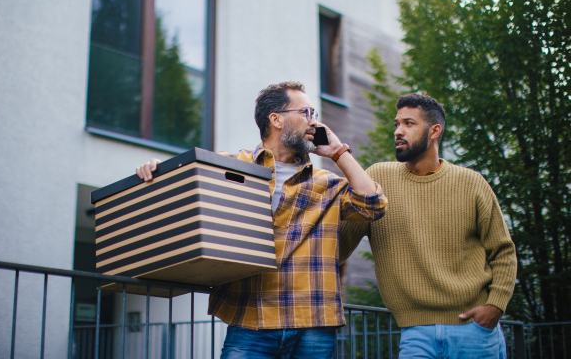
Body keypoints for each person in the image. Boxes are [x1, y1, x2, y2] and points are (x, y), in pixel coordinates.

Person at [136, 81, 388, 358]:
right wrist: (156, 170)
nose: (313, 122)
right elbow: (184, 190)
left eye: (314, 114)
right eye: (306, 112)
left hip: (313, 322)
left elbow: (373, 205)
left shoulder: (327, 183)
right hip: (250, 319)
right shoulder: (230, 167)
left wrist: (338, 152)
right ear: (276, 119)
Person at [340, 93, 517, 358]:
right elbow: (338, 247)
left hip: (474, 329)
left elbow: (503, 251)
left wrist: (495, 306)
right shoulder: (376, 178)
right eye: (396, 124)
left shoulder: (472, 183)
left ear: (435, 131)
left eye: (408, 123)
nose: (399, 131)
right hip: (415, 332)